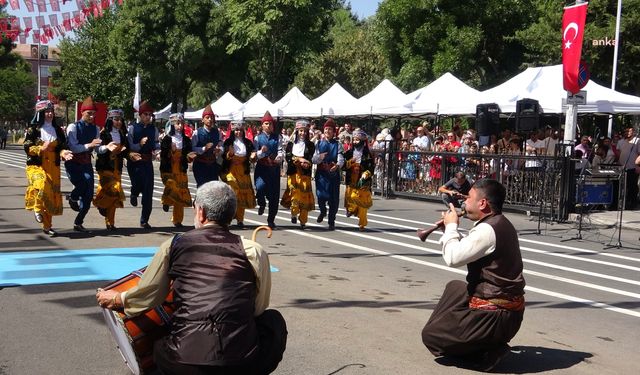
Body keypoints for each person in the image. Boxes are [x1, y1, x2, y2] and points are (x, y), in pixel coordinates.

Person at [96, 181, 287, 375]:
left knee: (161, 342)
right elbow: (259, 307)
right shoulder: (253, 251)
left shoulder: (174, 244)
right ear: (231, 214)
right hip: (241, 363)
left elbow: (149, 295)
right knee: (272, 320)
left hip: (184, 363)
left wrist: (117, 298)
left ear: (201, 212)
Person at [422, 179, 525, 372]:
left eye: (468, 198)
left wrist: (451, 227)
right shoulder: (498, 223)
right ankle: (473, 337)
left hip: (496, 316)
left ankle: (488, 350)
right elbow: (469, 250)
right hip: (507, 314)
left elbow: (453, 258)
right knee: (455, 288)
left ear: (483, 203)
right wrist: (449, 232)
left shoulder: (488, 229)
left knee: (431, 336)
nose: (464, 202)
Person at [24, 100, 73, 237]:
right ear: (40, 113)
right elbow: (27, 147)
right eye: (47, 112)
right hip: (36, 165)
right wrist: (40, 148)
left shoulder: (57, 130)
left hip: (53, 167)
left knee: (50, 197)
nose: (50, 114)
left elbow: (62, 146)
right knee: (41, 183)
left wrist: (64, 152)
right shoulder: (33, 129)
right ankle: (37, 208)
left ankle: (47, 226)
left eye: (51, 111)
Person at [65, 96, 101, 232]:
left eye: (93, 114)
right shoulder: (73, 127)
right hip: (73, 163)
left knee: (88, 194)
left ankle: (78, 222)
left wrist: (107, 147)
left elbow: (98, 149)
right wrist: (89, 145)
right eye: (89, 113)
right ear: (82, 112)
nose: (92, 116)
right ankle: (73, 197)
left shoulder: (96, 129)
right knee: (82, 184)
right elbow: (73, 147)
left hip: (86, 163)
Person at [93, 109, 129, 231]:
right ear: (110, 120)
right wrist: (107, 148)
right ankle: (100, 205)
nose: (118, 122)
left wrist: (126, 152)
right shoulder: (103, 134)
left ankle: (110, 222)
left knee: (114, 196)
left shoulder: (122, 134)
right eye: (116, 119)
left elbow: (126, 149)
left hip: (117, 167)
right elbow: (97, 150)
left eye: (120, 120)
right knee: (108, 190)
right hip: (105, 167)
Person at [127, 100, 160, 229]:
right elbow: (130, 146)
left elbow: (156, 144)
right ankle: (134, 192)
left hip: (147, 163)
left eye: (149, 114)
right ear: (140, 115)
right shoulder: (133, 128)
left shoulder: (154, 129)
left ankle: (144, 220)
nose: (148, 117)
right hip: (135, 162)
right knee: (137, 184)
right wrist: (139, 144)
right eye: (145, 114)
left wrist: (157, 152)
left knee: (148, 191)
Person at [160, 113, 194, 228]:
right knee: (171, 184)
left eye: (181, 124)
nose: (180, 126)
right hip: (168, 168)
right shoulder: (167, 139)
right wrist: (172, 151)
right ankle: (166, 200)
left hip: (181, 169)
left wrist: (190, 157)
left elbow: (188, 154)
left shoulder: (186, 140)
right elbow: (163, 155)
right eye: (177, 124)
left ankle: (177, 220)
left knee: (181, 193)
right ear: (172, 125)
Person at [221, 120, 257, 228]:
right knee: (233, 190)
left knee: (242, 195)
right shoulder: (228, 142)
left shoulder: (248, 142)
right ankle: (229, 216)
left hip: (243, 171)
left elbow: (252, 156)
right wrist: (230, 154)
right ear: (233, 130)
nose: (238, 132)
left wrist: (253, 156)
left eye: (240, 130)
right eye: (236, 130)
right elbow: (224, 156)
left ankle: (240, 219)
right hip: (231, 170)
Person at [281, 119, 315, 229]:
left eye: (305, 131)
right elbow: (288, 156)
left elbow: (310, 158)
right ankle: (294, 213)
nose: (303, 133)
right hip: (293, 173)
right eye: (301, 131)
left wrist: (307, 163)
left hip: (305, 175)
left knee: (304, 197)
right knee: (294, 195)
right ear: (297, 131)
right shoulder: (291, 144)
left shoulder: (310, 145)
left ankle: (303, 221)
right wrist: (300, 159)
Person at [312, 118, 344, 231]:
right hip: (321, 174)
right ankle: (322, 211)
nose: (327, 131)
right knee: (321, 195)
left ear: (333, 131)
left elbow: (341, 158)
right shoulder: (319, 143)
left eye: (330, 129)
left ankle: (331, 221)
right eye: (326, 129)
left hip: (333, 175)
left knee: (333, 200)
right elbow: (314, 159)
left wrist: (338, 165)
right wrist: (319, 158)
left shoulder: (337, 144)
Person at [254, 111, 284, 229]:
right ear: (262, 125)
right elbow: (255, 154)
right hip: (262, 168)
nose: (268, 126)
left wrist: (278, 158)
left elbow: (281, 151)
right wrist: (261, 151)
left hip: (274, 169)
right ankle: (261, 202)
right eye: (266, 124)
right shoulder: (258, 138)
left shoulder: (278, 137)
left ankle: (271, 219)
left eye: (270, 124)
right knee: (260, 187)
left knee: (274, 195)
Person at [343, 129, 374, 231]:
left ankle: (362, 224)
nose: (355, 142)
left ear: (362, 140)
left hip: (363, 182)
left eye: (357, 140)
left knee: (363, 206)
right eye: (354, 140)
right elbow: (343, 166)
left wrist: (366, 173)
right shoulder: (349, 152)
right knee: (351, 198)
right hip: (351, 181)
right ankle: (352, 210)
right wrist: (350, 162)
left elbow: (371, 167)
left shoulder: (367, 154)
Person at [191, 104, 222, 187]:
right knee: (202, 188)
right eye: (207, 117)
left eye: (211, 118)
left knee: (214, 189)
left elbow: (220, 144)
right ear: (202, 120)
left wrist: (219, 149)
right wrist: (204, 148)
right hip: (200, 164)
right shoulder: (197, 132)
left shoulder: (217, 132)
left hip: (212, 164)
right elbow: (192, 148)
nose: (210, 119)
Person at [616, 127, 640, 210]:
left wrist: (638, 166)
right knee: (623, 186)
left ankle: (632, 203)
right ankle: (623, 203)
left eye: (629, 131)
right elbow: (619, 154)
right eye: (626, 131)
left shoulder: (637, 141)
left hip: (633, 167)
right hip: (622, 168)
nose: (628, 133)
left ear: (633, 132)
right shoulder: (622, 142)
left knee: (632, 186)